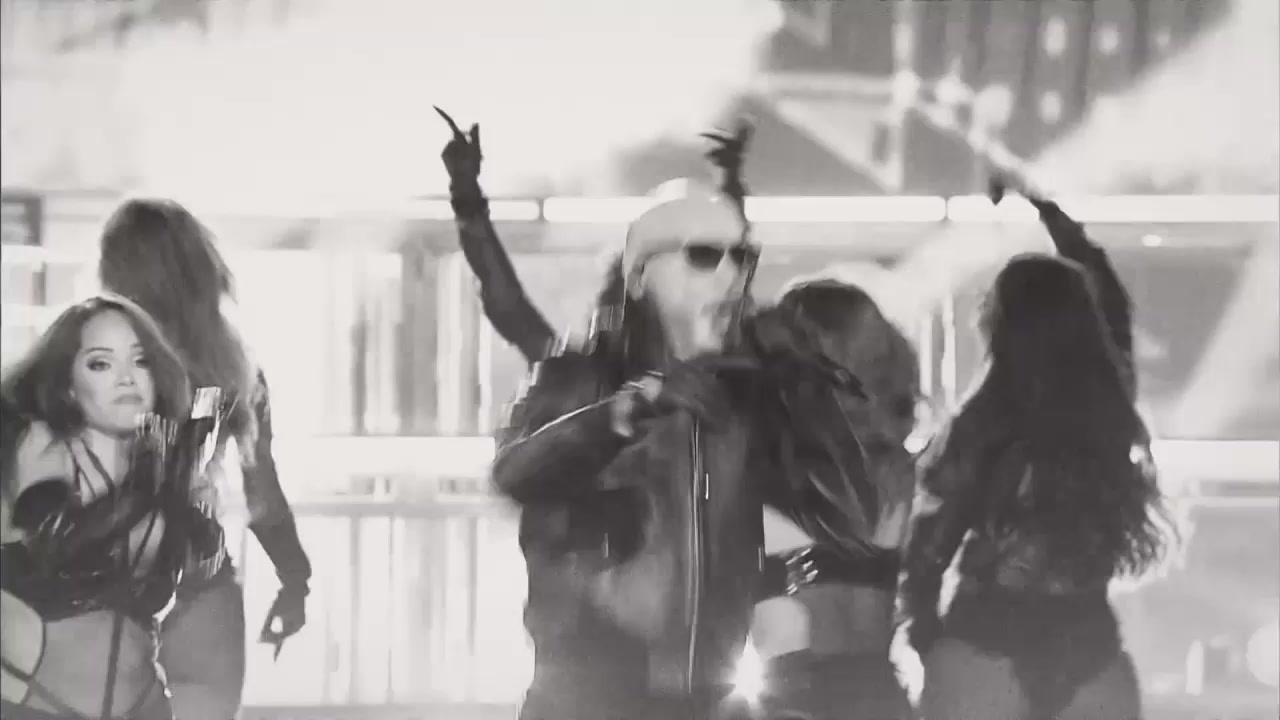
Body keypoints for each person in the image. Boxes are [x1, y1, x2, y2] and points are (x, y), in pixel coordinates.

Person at [436, 109, 881, 720]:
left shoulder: (742, 398)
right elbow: (514, 472)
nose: (731, 276)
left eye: (743, 259)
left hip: (704, 699)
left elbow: (852, 516)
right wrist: (632, 410)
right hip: (586, 702)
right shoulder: (582, 376)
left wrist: (804, 385)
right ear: (640, 277)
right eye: (705, 256)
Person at [902, 170, 1172, 720]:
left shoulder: (982, 423)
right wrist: (1048, 211)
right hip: (1089, 647)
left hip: (986, 643)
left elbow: (930, 544)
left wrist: (925, 632)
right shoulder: (1107, 412)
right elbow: (1110, 299)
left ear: (1004, 327)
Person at [97, 199, 313, 720]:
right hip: (201, 587)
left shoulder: (91, 370)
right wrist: (294, 578)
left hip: (107, 595)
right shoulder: (233, 369)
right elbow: (262, 493)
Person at [0, 295, 216, 720]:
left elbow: (197, 579)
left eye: (141, 361)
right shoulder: (37, 449)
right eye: (100, 363)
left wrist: (191, 500)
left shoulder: (164, 468)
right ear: (67, 384)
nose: (126, 378)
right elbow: (54, 543)